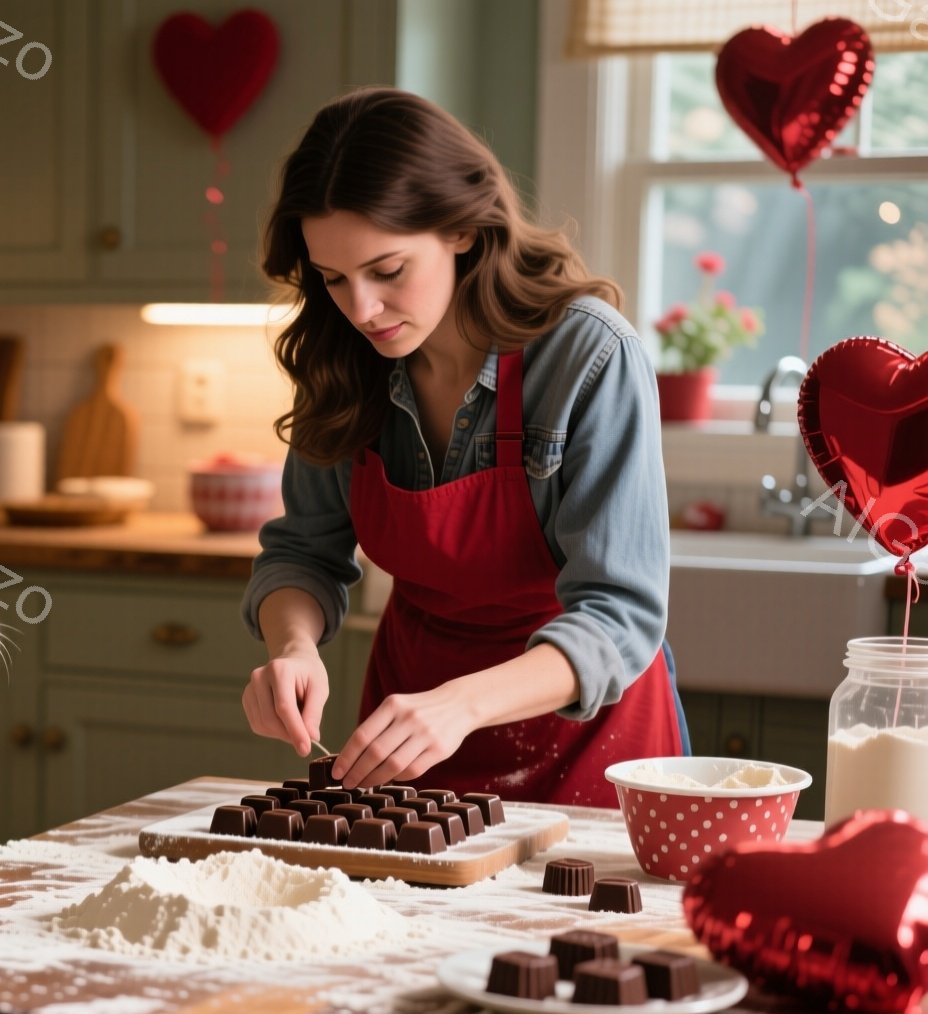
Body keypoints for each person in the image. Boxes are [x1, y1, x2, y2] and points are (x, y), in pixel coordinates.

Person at [238, 87, 686, 806]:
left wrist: (461, 705)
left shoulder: (588, 355)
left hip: (587, 743)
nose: (360, 310)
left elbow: (620, 616)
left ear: (463, 231)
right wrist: (291, 648)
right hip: (410, 736)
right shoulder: (339, 355)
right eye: (333, 279)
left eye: (387, 271)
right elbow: (302, 552)